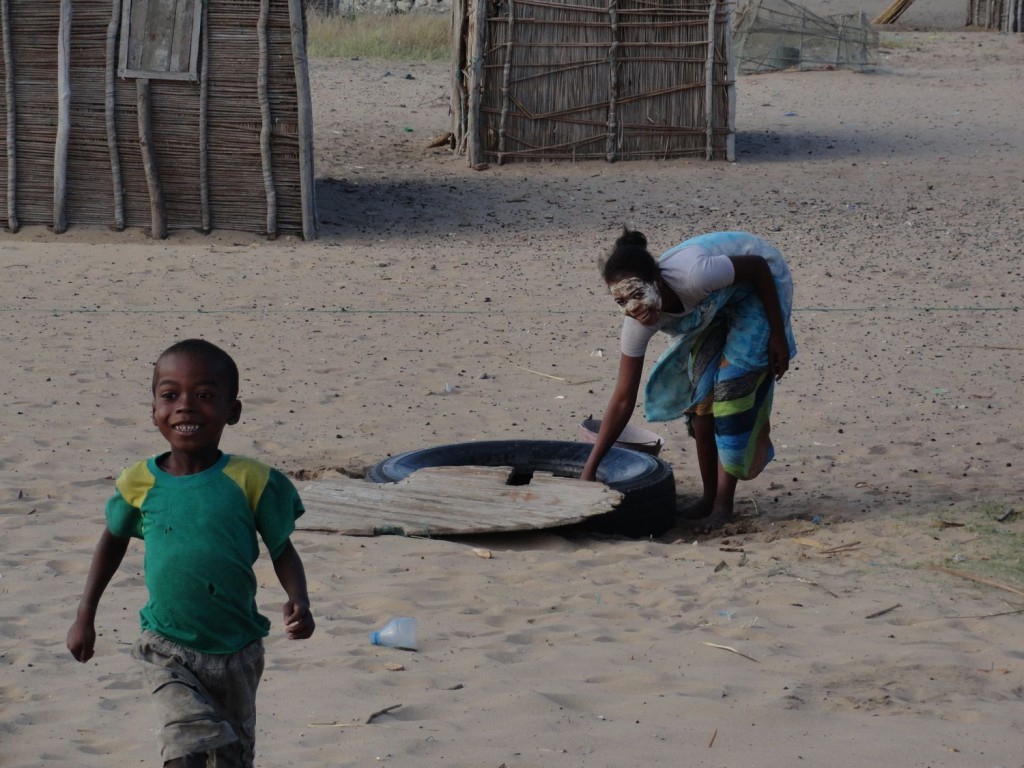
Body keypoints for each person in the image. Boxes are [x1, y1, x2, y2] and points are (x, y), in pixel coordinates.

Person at [66, 338, 315, 768]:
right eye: (170, 395)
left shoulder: (253, 480)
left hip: (238, 650)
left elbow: (281, 547)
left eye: (204, 396)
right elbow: (112, 540)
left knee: (232, 757)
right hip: (166, 646)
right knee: (185, 750)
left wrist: (300, 599)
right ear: (154, 410)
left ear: (232, 411)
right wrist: (85, 614)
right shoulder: (138, 482)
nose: (185, 406)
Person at [581, 229, 797, 533]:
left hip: (760, 285)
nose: (634, 309)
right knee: (701, 404)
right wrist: (590, 470)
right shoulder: (636, 322)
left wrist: (777, 333)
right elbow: (623, 398)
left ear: (657, 280)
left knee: (729, 395)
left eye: (638, 294)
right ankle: (708, 499)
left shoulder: (694, 276)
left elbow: (759, 267)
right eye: (621, 301)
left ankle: (723, 506)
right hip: (716, 304)